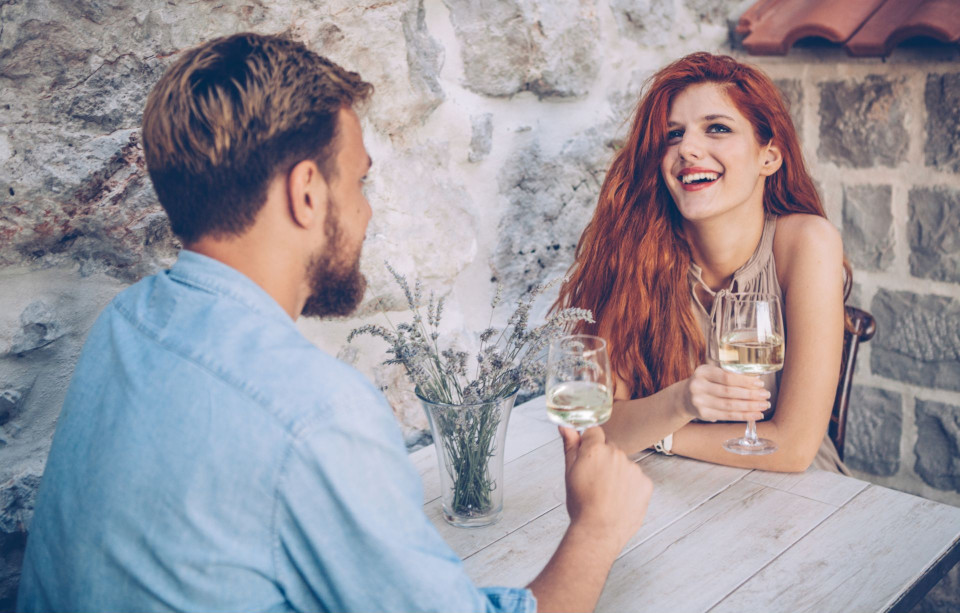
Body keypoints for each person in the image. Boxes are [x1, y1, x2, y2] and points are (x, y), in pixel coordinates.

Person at [16, 32, 653, 613]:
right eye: (360, 183)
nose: (367, 213)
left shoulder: (123, 326)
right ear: (307, 193)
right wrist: (596, 530)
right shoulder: (316, 411)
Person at [554, 52, 850, 474]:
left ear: (768, 157)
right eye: (673, 135)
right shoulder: (637, 252)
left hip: (803, 503)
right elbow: (594, 429)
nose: (688, 148)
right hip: (683, 498)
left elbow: (794, 448)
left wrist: (660, 433)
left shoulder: (807, 243)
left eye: (717, 128)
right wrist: (681, 401)